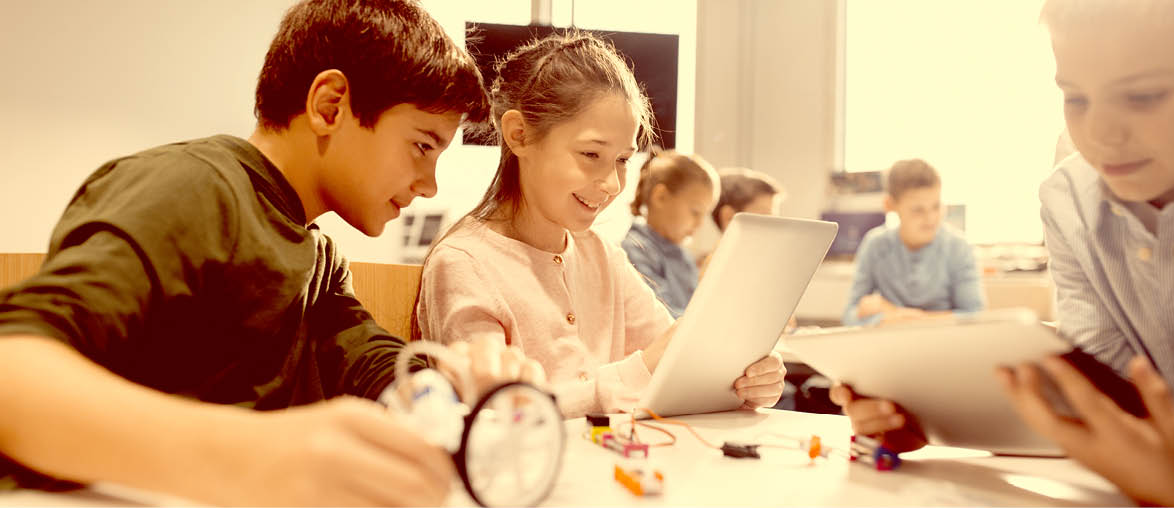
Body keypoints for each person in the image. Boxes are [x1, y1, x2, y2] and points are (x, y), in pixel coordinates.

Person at [0, 1, 543, 505]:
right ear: (330, 106)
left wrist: (447, 385)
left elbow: (365, 359)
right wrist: (256, 455)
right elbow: (14, 367)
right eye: (422, 146)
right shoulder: (195, 187)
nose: (429, 185)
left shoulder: (317, 254)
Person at [834, 0, 1174, 504]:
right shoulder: (1066, 201)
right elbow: (1104, 386)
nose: (1101, 133)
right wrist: (938, 415)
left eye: (1144, 95)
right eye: (1076, 98)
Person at [416, 32, 787, 419]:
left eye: (623, 160)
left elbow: (675, 361)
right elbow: (496, 417)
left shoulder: (602, 256)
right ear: (519, 135)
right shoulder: (463, 264)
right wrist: (638, 372)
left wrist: (742, 378)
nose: (612, 184)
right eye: (591, 154)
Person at [841, 159, 985, 327]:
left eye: (936, 206)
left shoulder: (959, 248)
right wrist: (882, 319)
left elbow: (974, 316)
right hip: (890, 345)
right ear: (890, 205)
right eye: (918, 210)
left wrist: (897, 314)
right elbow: (850, 315)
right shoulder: (875, 245)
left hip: (944, 345)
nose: (930, 218)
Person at [622, 150, 720, 317]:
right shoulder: (634, 250)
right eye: (695, 212)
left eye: (705, 215)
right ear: (660, 197)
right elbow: (660, 315)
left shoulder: (684, 257)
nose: (700, 224)